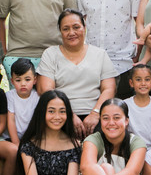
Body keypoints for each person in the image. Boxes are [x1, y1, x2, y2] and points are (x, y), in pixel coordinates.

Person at [75, 0, 143, 99]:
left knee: (121, 114)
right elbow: (79, 26)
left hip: (123, 63)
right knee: (95, 113)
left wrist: (137, 56)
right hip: (91, 63)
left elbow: (139, 24)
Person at [37, 9, 116, 137]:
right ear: (60, 31)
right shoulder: (50, 54)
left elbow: (109, 89)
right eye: (66, 29)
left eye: (76, 27)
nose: (71, 33)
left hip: (95, 114)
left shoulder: (100, 54)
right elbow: (46, 90)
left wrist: (95, 114)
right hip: (60, 114)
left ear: (84, 28)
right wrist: (68, 114)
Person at [123, 64, 151, 149]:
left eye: (147, 79)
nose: (143, 83)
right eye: (138, 80)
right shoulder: (125, 104)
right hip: (133, 149)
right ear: (131, 83)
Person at [6, 58, 40, 145]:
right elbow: (11, 120)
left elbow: (38, 121)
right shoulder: (10, 96)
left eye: (27, 79)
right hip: (11, 137)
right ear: (12, 81)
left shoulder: (37, 97)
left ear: (35, 80)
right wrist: (16, 143)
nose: (23, 84)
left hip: (31, 137)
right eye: (18, 80)